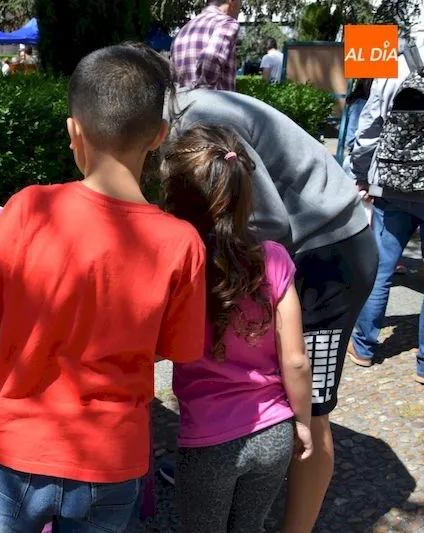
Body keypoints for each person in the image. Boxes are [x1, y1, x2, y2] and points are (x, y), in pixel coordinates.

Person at [0, 42, 207, 532]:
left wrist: (29, 356)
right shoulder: (183, 243)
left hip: (16, 444)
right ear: (159, 135)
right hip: (113, 457)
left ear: (74, 131)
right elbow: (169, 348)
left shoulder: (29, 208)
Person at [159, 86, 378, 533]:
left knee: (315, 409)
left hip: (329, 252)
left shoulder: (201, 125)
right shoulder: (185, 119)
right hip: (290, 254)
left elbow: (270, 225)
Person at [161, 125, 313, 533]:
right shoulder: (273, 259)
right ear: (246, 194)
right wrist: (301, 422)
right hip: (274, 430)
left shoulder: (176, 269)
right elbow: (296, 361)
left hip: (207, 441)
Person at [347, 33, 424, 385]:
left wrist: (362, 174)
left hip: (393, 184)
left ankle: (364, 347)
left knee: (380, 268)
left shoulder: (395, 58)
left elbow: (369, 126)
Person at [171, 0, 241, 91]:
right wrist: (202, 91)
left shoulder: (183, 30)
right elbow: (210, 59)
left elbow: (172, 74)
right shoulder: (227, 23)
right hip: (213, 98)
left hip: (182, 98)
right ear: (232, 1)